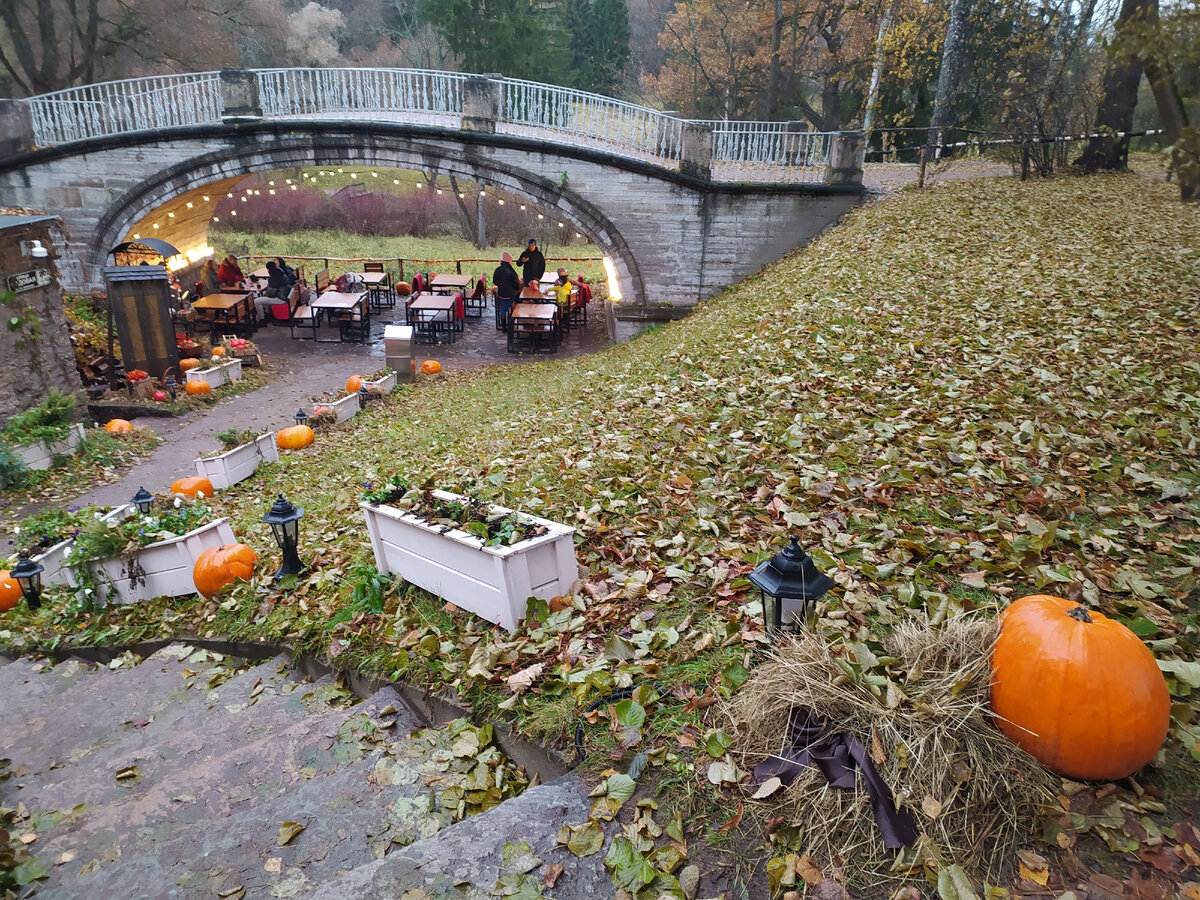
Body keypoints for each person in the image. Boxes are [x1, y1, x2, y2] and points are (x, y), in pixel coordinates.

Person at [492, 252, 521, 331]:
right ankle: (510, 325)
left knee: (503, 309)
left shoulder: (498, 270)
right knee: (510, 309)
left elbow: (495, 281)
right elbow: (516, 284)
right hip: (510, 294)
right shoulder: (511, 271)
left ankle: (504, 327)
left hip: (501, 293)